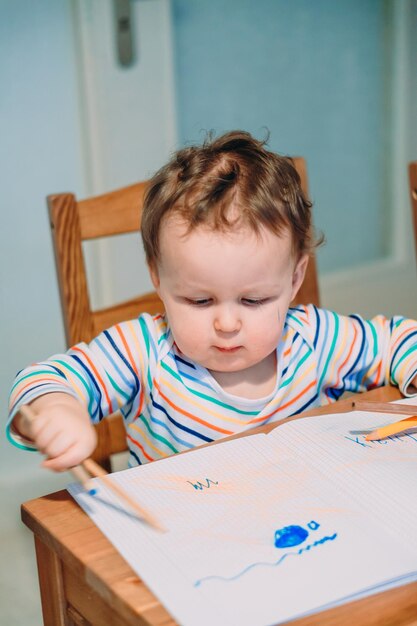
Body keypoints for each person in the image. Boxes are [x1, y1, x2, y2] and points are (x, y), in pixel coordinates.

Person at [7, 131, 417, 471]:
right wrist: (58, 410)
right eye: (200, 300)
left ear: (294, 279)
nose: (226, 323)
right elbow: (39, 381)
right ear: (157, 277)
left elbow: (400, 340)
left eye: (253, 300)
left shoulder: (313, 339)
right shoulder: (144, 352)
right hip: (180, 549)